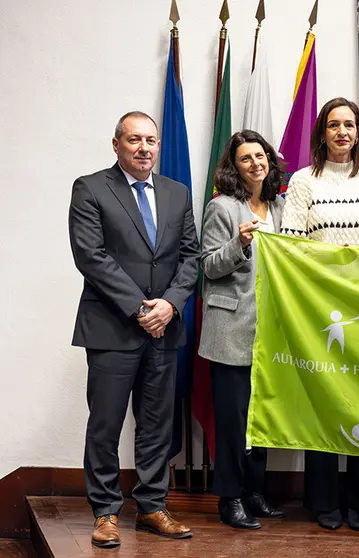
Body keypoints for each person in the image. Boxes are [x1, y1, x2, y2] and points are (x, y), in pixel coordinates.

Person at [68, 111, 199, 548]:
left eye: (151, 140)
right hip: (111, 328)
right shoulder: (90, 188)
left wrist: (170, 304)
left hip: (164, 328)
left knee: (157, 424)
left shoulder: (177, 193)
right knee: (105, 424)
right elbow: (91, 255)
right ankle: (105, 512)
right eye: (134, 140)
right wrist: (139, 308)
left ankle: (151, 507)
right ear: (116, 144)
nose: (144, 147)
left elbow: (190, 257)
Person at [280, 97, 359, 532]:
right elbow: (290, 244)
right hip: (320, 306)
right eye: (333, 125)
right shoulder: (304, 181)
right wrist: (331, 261)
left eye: (350, 125)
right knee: (324, 402)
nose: (342, 132)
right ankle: (323, 501)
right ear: (321, 133)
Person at [198, 130, 287, 530]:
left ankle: (255, 493)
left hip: (272, 328)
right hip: (231, 328)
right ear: (234, 167)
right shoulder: (222, 207)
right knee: (234, 420)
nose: (255, 163)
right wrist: (239, 244)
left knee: (262, 415)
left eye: (261, 155)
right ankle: (230, 498)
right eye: (246, 158)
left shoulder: (281, 206)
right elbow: (209, 266)